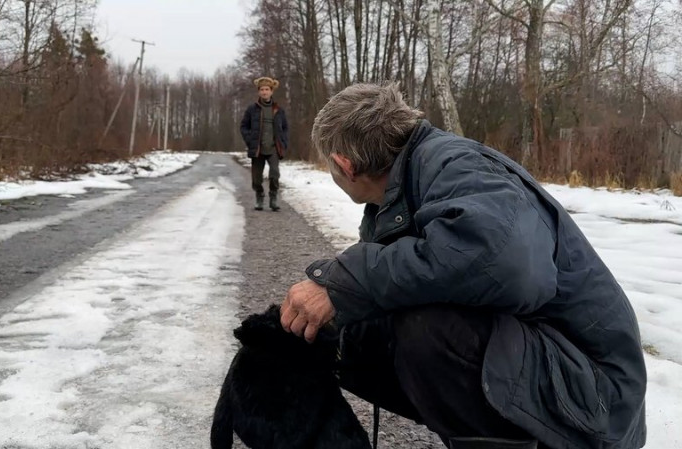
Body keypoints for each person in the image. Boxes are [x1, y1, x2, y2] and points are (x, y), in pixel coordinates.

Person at [279, 83, 647, 449]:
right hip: (560, 375)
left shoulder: (456, 165)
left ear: (345, 164)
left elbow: (507, 264)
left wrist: (347, 281)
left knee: (427, 328)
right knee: (346, 335)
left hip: (597, 398)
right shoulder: (401, 186)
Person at [240, 76, 289, 211]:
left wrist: (283, 142)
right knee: (256, 178)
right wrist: (249, 140)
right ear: (258, 92)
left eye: (267, 89)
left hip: (273, 148)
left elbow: (285, 128)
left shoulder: (278, 110)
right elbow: (243, 126)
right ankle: (259, 196)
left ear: (271, 91)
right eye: (262, 89)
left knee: (274, 174)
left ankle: (273, 198)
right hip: (257, 148)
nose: (264, 92)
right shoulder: (252, 109)